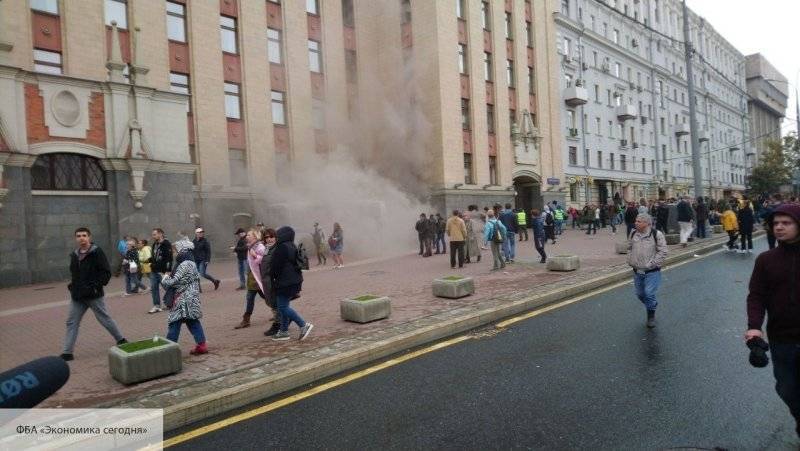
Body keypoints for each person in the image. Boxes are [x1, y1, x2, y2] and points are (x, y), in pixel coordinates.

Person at [745, 204, 800, 438]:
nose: (779, 227)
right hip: (782, 338)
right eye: (775, 223)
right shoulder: (766, 260)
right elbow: (756, 295)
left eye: (786, 223)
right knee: (787, 389)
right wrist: (754, 327)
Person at [61, 227, 127, 361]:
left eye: (84, 235)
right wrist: (72, 286)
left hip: (93, 295)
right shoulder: (74, 255)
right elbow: (75, 274)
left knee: (104, 318)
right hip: (78, 296)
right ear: (76, 238)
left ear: (89, 237)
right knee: (71, 322)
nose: (81, 238)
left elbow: (106, 272)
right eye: (78, 236)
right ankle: (67, 352)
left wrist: (96, 286)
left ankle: (121, 339)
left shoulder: (96, 252)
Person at [162, 239, 208, 355]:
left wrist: (165, 278)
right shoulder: (190, 262)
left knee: (174, 322)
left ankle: (169, 349)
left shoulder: (184, 264)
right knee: (192, 321)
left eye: (175, 251)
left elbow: (174, 282)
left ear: (181, 250)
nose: (174, 253)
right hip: (190, 298)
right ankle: (201, 345)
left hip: (182, 298)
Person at [270, 226, 314, 341]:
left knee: (282, 308)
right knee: (284, 306)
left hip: (285, 282)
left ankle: (303, 325)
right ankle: (284, 331)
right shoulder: (291, 245)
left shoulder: (281, 247)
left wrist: (272, 276)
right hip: (294, 280)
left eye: (277, 235)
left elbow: (276, 267)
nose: (276, 237)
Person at [627, 213, 668, 328]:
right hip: (637, 271)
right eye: (636, 220)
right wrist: (630, 260)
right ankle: (652, 305)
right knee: (640, 294)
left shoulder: (656, 234)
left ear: (647, 223)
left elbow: (663, 251)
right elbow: (629, 247)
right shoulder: (633, 233)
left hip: (652, 272)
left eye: (639, 221)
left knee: (649, 294)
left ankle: (651, 316)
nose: (636, 223)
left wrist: (652, 264)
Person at [234, 228, 268, 329]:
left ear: (254, 236)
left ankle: (280, 312)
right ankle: (246, 319)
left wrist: (255, 256)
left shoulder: (260, 247)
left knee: (266, 297)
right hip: (252, 276)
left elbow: (265, 259)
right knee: (250, 297)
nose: (247, 236)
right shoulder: (251, 246)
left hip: (258, 277)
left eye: (249, 235)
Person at [259, 228, 283, 336]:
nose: (269, 239)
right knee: (272, 303)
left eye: (271, 236)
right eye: (266, 237)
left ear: (276, 237)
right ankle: (283, 322)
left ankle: (278, 325)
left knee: (276, 303)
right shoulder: (267, 249)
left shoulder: (277, 249)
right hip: (266, 280)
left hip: (273, 281)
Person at [148, 228, 173, 314]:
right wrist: (149, 261)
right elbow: (154, 256)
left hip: (162, 271)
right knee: (154, 288)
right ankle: (156, 306)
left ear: (160, 234)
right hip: (154, 270)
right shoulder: (154, 244)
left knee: (167, 287)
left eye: (154, 234)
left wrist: (168, 270)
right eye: (153, 234)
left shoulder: (166, 244)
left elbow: (169, 258)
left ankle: (175, 302)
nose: (153, 236)